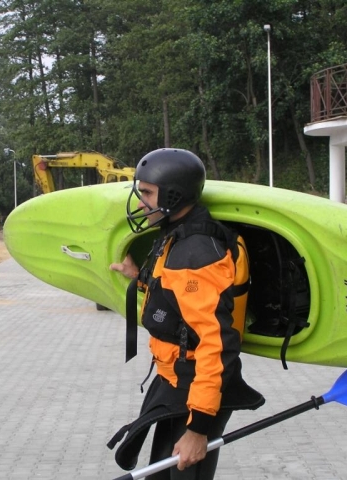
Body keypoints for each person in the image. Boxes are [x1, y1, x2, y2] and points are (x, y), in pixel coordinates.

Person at [107, 148, 264, 480]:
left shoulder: (196, 254)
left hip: (196, 392)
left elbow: (216, 344)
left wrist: (198, 429)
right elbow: (176, 299)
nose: (140, 203)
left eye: (147, 193)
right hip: (176, 383)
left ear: (173, 195)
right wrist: (138, 277)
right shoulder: (177, 233)